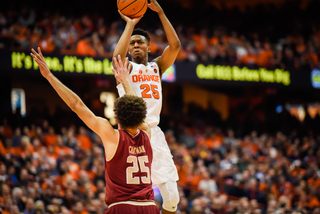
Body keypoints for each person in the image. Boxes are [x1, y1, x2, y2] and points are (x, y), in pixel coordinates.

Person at [30, 48, 159, 214]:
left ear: (117, 118)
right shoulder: (146, 133)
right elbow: (139, 111)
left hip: (122, 207)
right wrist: (126, 81)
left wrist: (49, 76)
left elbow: (76, 105)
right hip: (149, 207)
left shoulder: (112, 135)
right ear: (141, 116)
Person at [113, 0, 181, 213]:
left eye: (140, 42)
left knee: (172, 199)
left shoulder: (157, 67)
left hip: (155, 133)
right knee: (137, 198)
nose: (135, 45)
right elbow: (117, 56)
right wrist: (130, 25)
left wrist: (160, 12)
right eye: (132, 43)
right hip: (132, 134)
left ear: (149, 47)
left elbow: (176, 46)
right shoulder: (125, 67)